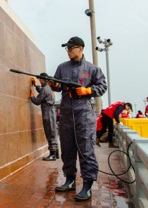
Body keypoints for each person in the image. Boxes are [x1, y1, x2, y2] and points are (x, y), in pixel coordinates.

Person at [49, 36, 107, 202]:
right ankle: (70, 180)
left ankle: (87, 184)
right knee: (67, 148)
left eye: (71, 48)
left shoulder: (92, 69)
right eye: (66, 48)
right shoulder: (62, 68)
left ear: (80, 49)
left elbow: (102, 85)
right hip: (66, 114)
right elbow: (58, 86)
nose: (68, 51)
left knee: (86, 149)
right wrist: (52, 83)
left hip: (84, 115)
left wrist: (87, 91)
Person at [29, 73, 59, 161]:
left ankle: (52, 155)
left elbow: (37, 101)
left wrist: (32, 97)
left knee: (50, 132)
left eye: (39, 80)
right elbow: (42, 92)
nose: (39, 81)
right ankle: (56, 154)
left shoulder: (45, 89)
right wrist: (36, 86)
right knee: (53, 132)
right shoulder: (48, 88)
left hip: (48, 113)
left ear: (42, 80)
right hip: (51, 112)